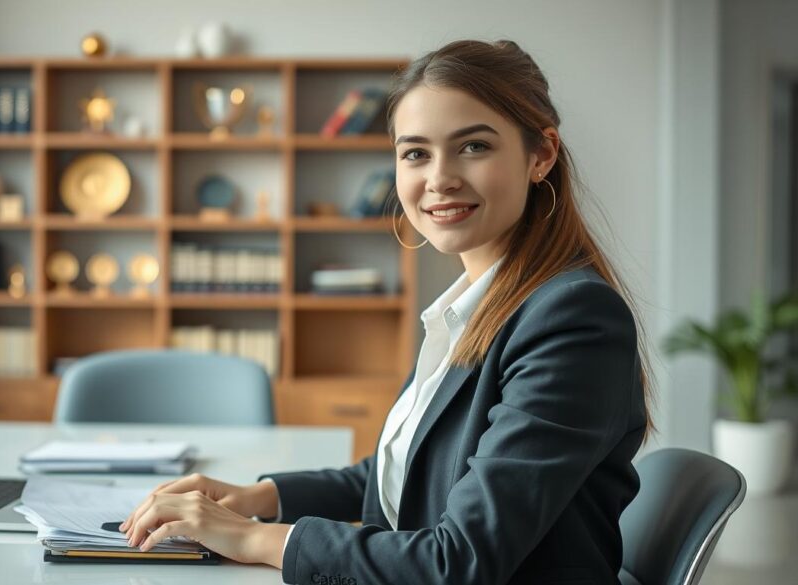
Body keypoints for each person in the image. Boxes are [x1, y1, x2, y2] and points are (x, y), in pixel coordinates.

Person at [119, 39, 652, 584]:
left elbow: (459, 562)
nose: (439, 178)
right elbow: (414, 471)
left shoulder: (571, 319)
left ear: (541, 154)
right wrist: (260, 497)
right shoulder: (472, 308)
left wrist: (253, 538)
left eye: (473, 147)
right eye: (416, 153)